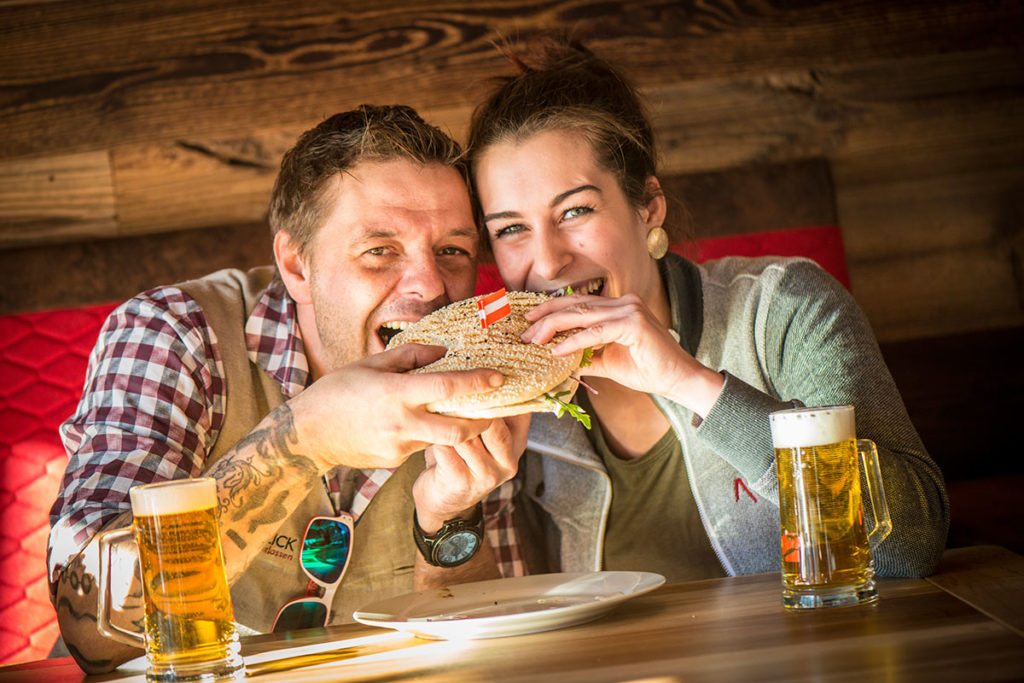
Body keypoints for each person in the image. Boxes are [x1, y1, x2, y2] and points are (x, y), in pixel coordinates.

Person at [48, 105, 528, 674]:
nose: (430, 284)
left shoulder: (480, 366)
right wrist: (303, 441)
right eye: (380, 250)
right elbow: (91, 628)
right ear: (296, 266)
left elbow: (489, 655)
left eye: (452, 250)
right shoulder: (173, 333)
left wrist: (449, 521)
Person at [465, 38, 949, 581]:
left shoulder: (786, 308)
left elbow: (908, 548)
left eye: (575, 210)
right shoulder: (508, 392)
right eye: (511, 229)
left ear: (648, 206)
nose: (548, 262)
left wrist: (690, 381)